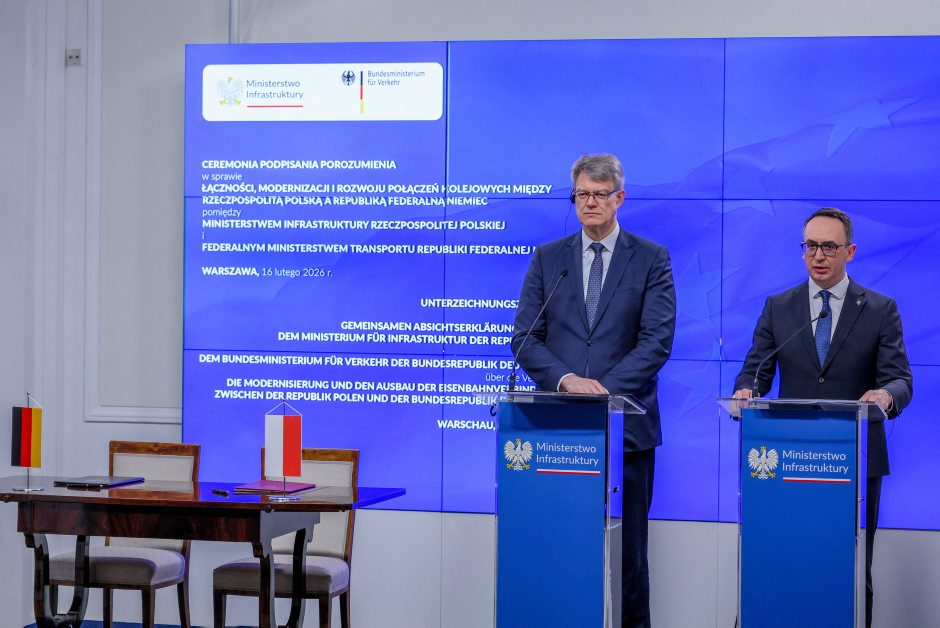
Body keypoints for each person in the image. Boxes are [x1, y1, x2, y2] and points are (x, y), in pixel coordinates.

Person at [511, 153, 676, 627]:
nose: (590, 203)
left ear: (619, 198)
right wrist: (567, 382)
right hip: (560, 432)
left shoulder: (651, 258)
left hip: (628, 435)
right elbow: (525, 337)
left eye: (600, 195)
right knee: (561, 549)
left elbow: (657, 340)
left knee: (629, 557)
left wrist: (603, 391)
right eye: (582, 194)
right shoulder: (549, 258)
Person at [732, 206, 913, 628]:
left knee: (850, 568)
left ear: (850, 251)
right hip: (788, 460)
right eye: (810, 246)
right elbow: (755, 370)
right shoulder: (779, 307)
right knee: (787, 561)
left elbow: (901, 379)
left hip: (854, 460)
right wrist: (746, 391)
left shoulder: (880, 309)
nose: (818, 255)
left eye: (829, 247)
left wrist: (885, 395)